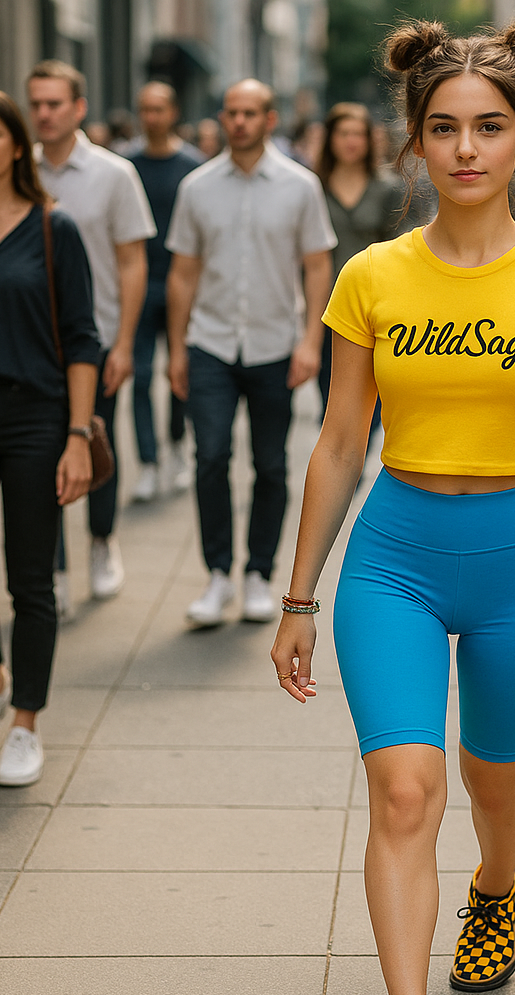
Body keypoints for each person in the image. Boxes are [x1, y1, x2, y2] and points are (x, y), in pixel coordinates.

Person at [270, 19, 515, 995]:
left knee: (494, 784)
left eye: (489, 127)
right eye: (444, 127)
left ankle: (497, 888)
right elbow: (340, 443)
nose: (466, 148)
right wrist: (297, 599)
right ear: (414, 141)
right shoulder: (371, 276)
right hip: (394, 561)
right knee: (405, 789)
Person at [0, 89, 99, 785]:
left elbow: (82, 338)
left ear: (17, 145)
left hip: (36, 419)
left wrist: (77, 435)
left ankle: (25, 723)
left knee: (30, 579)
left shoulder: (53, 228)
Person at [166, 79, 336, 627]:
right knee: (211, 457)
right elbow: (182, 272)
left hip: (274, 344)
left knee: (270, 464)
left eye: (250, 113)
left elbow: (317, 266)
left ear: (269, 119)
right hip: (210, 343)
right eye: (231, 112)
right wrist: (176, 350)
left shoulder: (300, 186)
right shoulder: (196, 187)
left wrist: (311, 341)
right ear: (222, 119)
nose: (239, 121)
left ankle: (259, 574)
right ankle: (218, 574)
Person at [28, 61, 156, 609]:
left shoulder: (114, 173)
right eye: (36, 104)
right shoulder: (19, 172)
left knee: (96, 440)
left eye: (54, 103)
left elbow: (132, 262)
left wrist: (125, 342)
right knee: (39, 453)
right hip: (33, 344)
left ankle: (102, 542)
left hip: (96, 339)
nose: (44, 114)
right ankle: (53, 565)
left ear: (78, 108)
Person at [127, 82, 203, 502]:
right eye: (145, 109)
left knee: (178, 372)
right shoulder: (127, 165)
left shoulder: (192, 167)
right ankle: (148, 462)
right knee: (139, 377)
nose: (151, 117)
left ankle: (176, 447)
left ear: (173, 112)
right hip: (138, 283)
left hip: (181, 284)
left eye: (158, 109)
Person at [314, 102, 404, 421]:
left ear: (369, 139)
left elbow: (398, 247)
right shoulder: (314, 187)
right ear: (330, 138)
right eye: (343, 133)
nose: (350, 141)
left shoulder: (387, 188)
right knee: (330, 394)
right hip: (324, 305)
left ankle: (363, 448)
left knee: (374, 398)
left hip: (373, 304)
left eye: (358, 134)